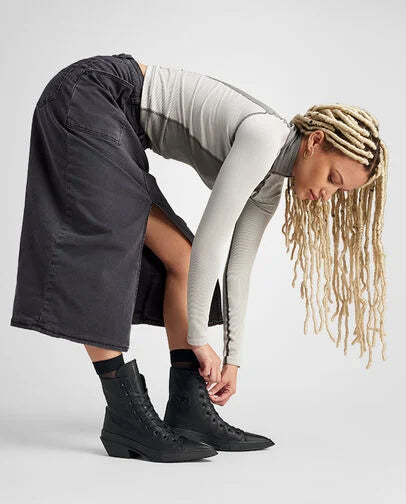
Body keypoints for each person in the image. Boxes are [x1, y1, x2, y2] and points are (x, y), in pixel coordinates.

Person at [9, 53, 388, 463]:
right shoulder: (266, 136)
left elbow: (237, 269)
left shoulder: (270, 186)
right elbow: (213, 238)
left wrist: (233, 361)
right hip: (92, 93)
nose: (327, 195)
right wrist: (198, 339)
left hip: (116, 118)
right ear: (315, 142)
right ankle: (123, 412)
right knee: (106, 244)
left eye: (340, 191)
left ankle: (188, 406)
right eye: (333, 177)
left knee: (184, 260)